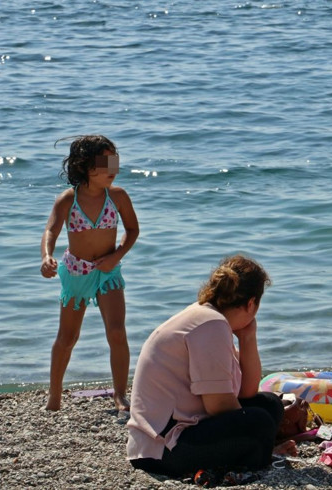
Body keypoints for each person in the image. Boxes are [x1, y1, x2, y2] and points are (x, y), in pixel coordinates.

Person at [127, 255, 295, 478]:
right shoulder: (211, 325)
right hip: (164, 448)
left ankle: (256, 451)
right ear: (251, 303)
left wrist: (248, 338)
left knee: (270, 404)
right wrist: (259, 435)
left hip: (179, 432)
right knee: (259, 421)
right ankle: (261, 455)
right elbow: (219, 405)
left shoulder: (208, 317)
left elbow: (247, 391)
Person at [40, 135, 139, 411]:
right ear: (84, 166)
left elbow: (132, 230)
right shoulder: (68, 200)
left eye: (114, 161)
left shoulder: (117, 196)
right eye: (105, 163)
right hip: (76, 273)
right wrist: (47, 256)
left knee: (117, 332)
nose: (113, 169)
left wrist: (116, 256)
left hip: (108, 274)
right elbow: (51, 230)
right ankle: (55, 396)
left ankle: (120, 394)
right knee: (67, 337)